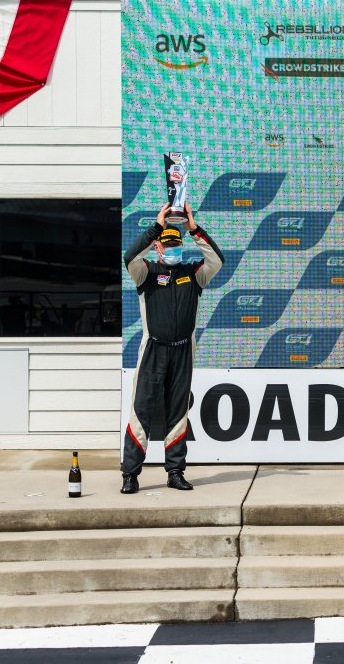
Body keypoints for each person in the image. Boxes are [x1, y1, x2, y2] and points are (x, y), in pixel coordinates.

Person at [121, 201, 224, 494]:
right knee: (141, 411)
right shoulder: (146, 273)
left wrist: (193, 229)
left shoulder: (194, 274)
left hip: (182, 351)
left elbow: (217, 260)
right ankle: (130, 474)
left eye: (176, 244)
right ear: (158, 247)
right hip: (153, 350)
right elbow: (130, 257)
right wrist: (157, 226)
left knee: (179, 412)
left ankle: (175, 472)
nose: (172, 248)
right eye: (167, 244)